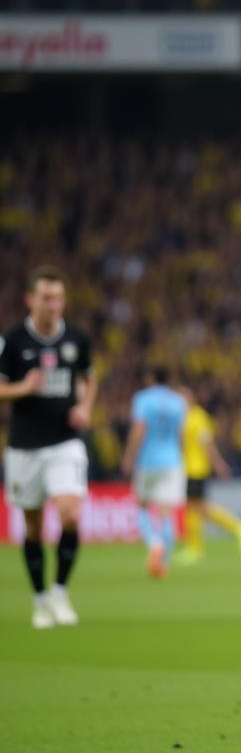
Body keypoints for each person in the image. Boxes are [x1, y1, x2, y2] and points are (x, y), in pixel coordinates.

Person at [0, 266, 97, 629]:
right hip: (24, 446)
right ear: (31, 299)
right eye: (47, 298)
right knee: (34, 527)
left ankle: (59, 591)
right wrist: (22, 388)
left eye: (59, 298)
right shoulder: (11, 341)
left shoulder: (76, 338)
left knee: (71, 513)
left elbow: (89, 377)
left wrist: (85, 407)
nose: (54, 305)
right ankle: (40, 599)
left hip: (64, 442)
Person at [120, 367, 187, 578]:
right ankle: (164, 561)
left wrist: (129, 457)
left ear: (150, 378)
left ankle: (154, 544)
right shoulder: (179, 401)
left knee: (142, 506)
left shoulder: (143, 399)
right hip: (173, 461)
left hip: (148, 461)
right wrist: (181, 457)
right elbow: (181, 434)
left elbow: (139, 429)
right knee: (167, 513)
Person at [176, 386, 241, 564]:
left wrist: (218, 465)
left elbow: (207, 444)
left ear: (190, 397)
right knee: (197, 507)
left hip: (196, 469)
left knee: (194, 506)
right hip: (186, 469)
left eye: (182, 396)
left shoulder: (198, 417)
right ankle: (237, 529)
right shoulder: (182, 418)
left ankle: (198, 547)